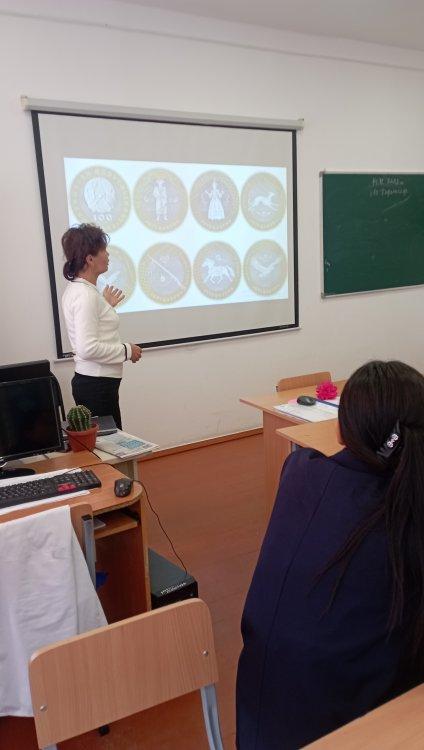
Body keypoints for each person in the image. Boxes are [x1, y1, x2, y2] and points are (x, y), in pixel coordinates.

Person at [236, 360, 424, 749]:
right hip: (348, 728)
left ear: (342, 429)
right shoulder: (406, 510)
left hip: (261, 715)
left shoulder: (299, 469)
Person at [61, 223, 142, 430]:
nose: (108, 255)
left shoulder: (82, 291)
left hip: (97, 384)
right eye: (103, 250)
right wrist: (127, 350)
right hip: (97, 385)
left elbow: (93, 327)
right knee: (110, 445)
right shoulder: (85, 295)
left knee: (108, 443)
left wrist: (105, 306)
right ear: (89, 259)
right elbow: (87, 348)